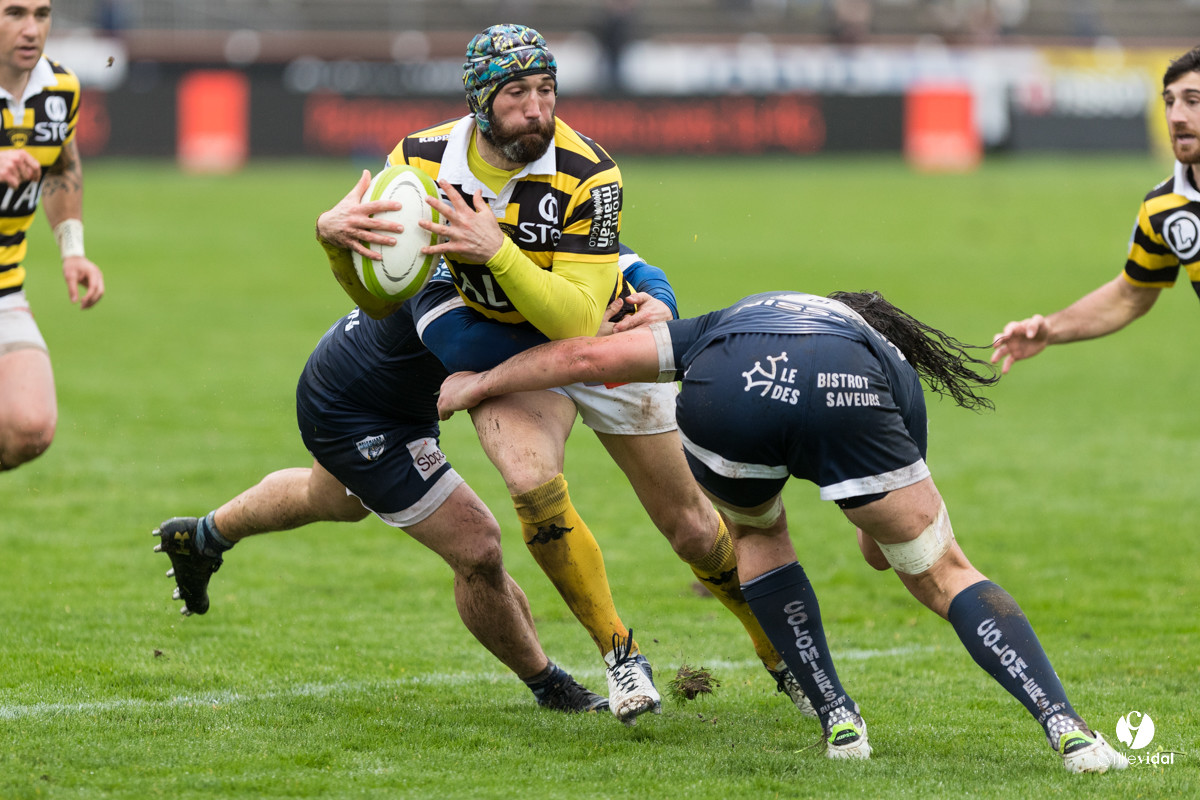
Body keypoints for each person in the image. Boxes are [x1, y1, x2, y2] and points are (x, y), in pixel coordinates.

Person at [320, 23, 815, 726]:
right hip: (510, 361)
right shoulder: (420, 161)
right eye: (516, 93)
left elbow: (580, 322)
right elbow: (387, 301)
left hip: (604, 339)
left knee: (690, 528)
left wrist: (500, 252)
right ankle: (620, 653)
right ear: (479, 101)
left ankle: (778, 655)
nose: (537, 109)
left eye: (546, 89)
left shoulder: (589, 170)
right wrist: (334, 246)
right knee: (529, 483)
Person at [436, 289, 1130, 772]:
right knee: (945, 571)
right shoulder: (888, 362)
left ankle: (838, 718)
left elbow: (586, 359)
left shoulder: (732, 317)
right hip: (848, 393)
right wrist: (880, 533)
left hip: (727, 389)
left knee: (759, 538)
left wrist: (479, 384)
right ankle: (1066, 728)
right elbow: (883, 552)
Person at [153, 276, 609, 715]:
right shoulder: (452, 267)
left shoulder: (525, 237)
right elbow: (472, 348)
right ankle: (550, 685)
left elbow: (600, 261)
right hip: (356, 411)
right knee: (477, 546)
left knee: (331, 500)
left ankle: (201, 539)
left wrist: (639, 295)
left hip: (374, 386)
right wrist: (586, 338)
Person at [992, 45, 1200, 374]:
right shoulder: (1162, 207)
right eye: (1170, 101)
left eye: (1193, 101)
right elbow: (1130, 296)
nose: (1176, 116)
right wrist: (1049, 329)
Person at [0, 0, 104, 471]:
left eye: (41, 15)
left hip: (6, 287)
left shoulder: (60, 87)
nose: (31, 29)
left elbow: (62, 166)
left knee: (32, 426)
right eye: (14, 14)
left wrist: (72, 250)